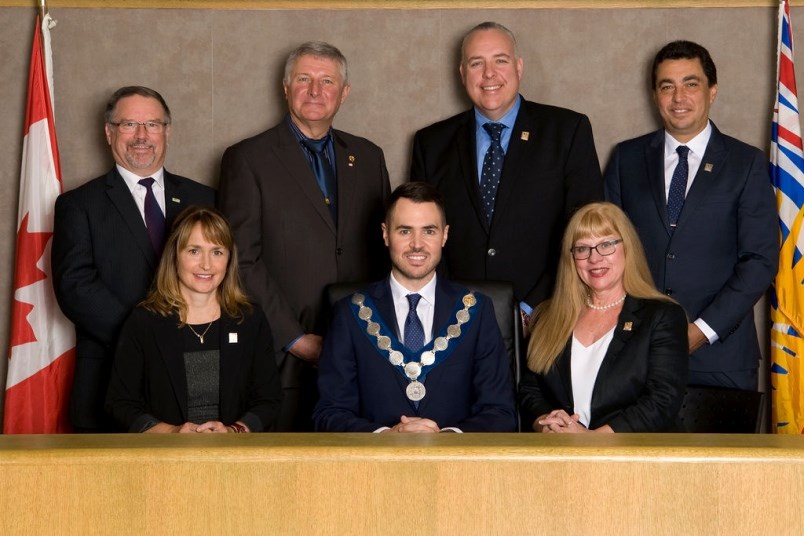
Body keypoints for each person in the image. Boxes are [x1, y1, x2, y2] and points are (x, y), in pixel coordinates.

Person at [218, 41, 390, 431]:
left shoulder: (368, 156)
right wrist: (295, 339)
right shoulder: (248, 159)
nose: (315, 91)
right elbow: (240, 259)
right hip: (282, 359)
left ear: (344, 93)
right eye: (304, 79)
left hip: (363, 355)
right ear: (285, 88)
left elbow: (385, 251)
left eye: (327, 81)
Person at [604, 40, 778, 391]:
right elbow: (605, 249)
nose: (678, 97)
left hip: (722, 359)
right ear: (655, 95)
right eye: (667, 86)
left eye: (691, 84)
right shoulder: (626, 159)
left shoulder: (746, 164)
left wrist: (701, 331)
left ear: (712, 91)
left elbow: (760, 260)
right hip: (636, 356)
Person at [410, 21, 603, 326]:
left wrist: (533, 307)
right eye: (477, 63)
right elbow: (421, 237)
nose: (489, 74)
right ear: (462, 74)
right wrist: (452, 310)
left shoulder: (567, 132)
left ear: (518, 67)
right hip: (456, 322)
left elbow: (585, 232)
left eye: (500, 60)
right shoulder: (431, 143)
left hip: (547, 319)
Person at [52, 86, 215, 432]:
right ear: (109, 132)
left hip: (195, 373)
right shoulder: (79, 205)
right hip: (110, 373)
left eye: (153, 125)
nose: (142, 136)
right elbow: (75, 287)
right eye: (129, 124)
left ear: (167, 132)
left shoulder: (204, 199)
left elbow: (224, 278)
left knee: (198, 479)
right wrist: (145, 339)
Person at [313, 182, 517, 433]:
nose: (417, 244)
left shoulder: (477, 310)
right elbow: (329, 413)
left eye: (429, 231)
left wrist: (446, 438)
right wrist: (388, 436)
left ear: (445, 235)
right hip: (375, 467)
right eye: (405, 231)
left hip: (456, 467)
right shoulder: (349, 312)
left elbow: (501, 412)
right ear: (386, 234)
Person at [106, 206, 281, 433]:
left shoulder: (249, 319)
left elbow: (270, 399)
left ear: (229, 259)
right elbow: (120, 403)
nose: (206, 265)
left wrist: (233, 431)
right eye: (194, 251)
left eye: (217, 252)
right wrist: (172, 432)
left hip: (233, 458)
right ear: (175, 255)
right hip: (166, 459)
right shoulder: (144, 321)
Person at [520, 202, 688, 433]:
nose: (594, 258)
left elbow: (662, 401)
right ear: (571, 258)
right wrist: (545, 423)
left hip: (637, 459)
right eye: (582, 248)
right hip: (560, 455)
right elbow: (530, 390)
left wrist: (592, 440)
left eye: (606, 244)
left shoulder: (663, 316)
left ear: (627, 248)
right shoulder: (548, 315)